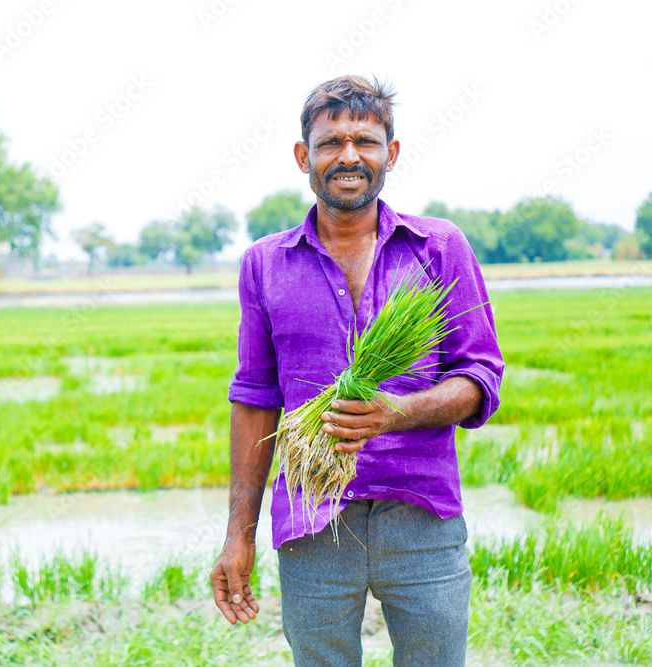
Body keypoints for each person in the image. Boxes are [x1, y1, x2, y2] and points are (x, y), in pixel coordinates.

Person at [209, 75, 504, 666]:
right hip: (312, 518)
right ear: (304, 157)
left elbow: (481, 378)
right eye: (330, 142)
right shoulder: (265, 264)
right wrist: (239, 532)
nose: (348, 155)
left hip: (421, 516)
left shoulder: (438, 247)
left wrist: (399, 412)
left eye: (365, 141)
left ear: (389, 154)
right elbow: (255, 399)